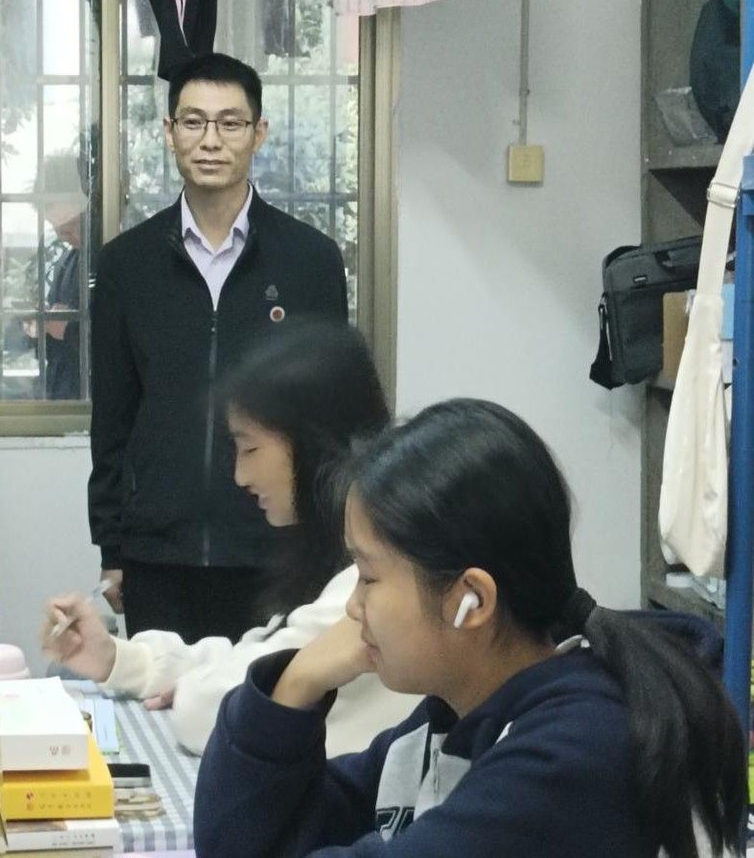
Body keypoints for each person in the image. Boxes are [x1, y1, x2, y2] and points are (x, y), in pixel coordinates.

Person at [194, 399, 746, 858]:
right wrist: (296, 681)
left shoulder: (574, 754)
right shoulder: (446, 722)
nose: (354, 607)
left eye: (368, 576)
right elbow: (239, 842)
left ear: (471, 600)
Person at [45, 323, 415, 756]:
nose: (240, 476)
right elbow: (254, 656)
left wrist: (197, 688)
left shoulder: (365, 582)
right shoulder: (340, 557)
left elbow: (215, 712)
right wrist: (118, 659)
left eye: (250, 449)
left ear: (313, 442)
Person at [89, 52, 348, 642]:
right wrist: (112, 547)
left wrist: (326, 542)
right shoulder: (127, 264)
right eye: (193, 121)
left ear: (259, 133)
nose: (211, 140)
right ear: (169, 131)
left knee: (271, 696)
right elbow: (113, 418)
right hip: (158, 554)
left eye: (230, 123)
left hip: (276, 549)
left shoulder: (310, 260)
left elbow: (329, 419)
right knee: (162, 691)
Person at [25, 153, 86, 400]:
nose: (62, 236)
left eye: (69, 226)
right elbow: (54, 347)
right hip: (64, 394)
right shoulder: (68, 262)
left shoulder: (115, 259)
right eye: (56, 228)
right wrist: (40, 329)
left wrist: (69, 329)